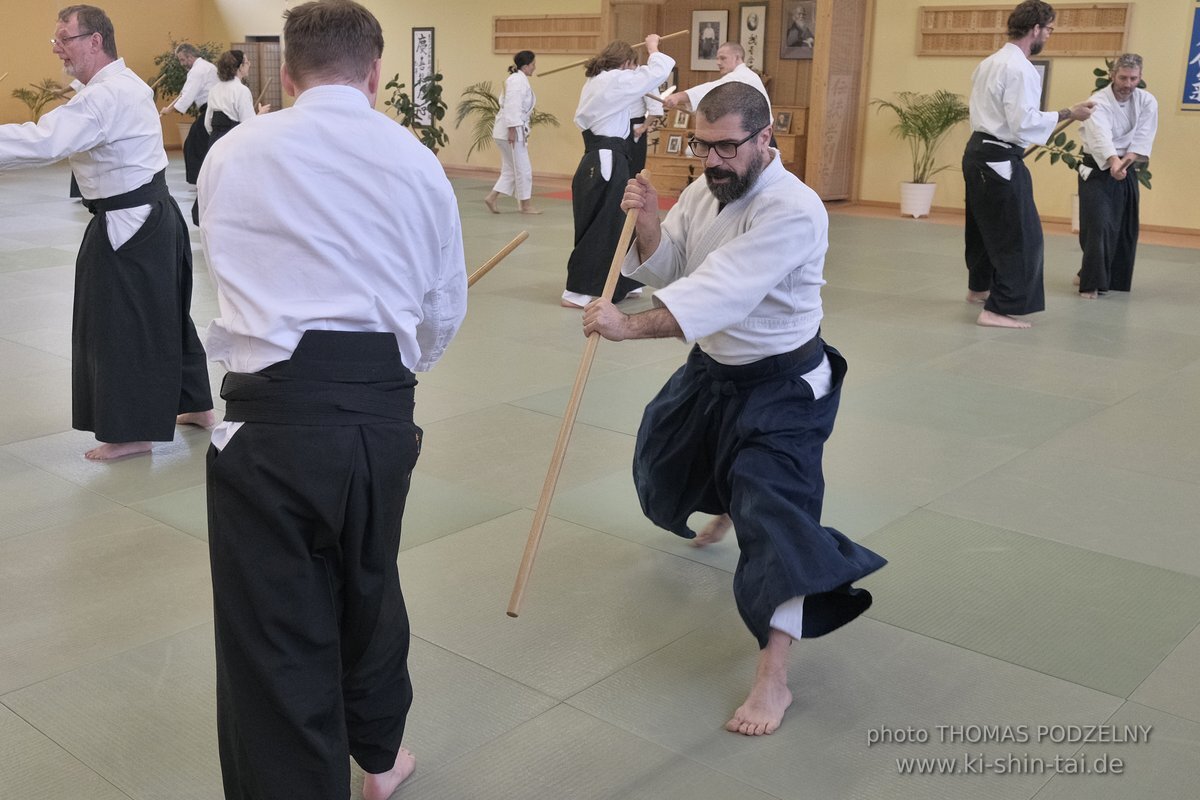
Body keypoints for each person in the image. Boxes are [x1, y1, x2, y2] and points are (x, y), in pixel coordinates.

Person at [198, 1, 467, 798]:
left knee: (275, 632)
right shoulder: (419, 162)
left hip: (269, 421)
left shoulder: (233, 153)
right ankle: (380, 762)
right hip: (379, 415)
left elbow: (224, 265)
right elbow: (442, 307)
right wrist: (394, 371)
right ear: (376, 72)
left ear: (287, 72)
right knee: (369, 586)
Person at [581, 82, 886, 737]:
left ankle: (773, 680)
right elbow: (674, 267)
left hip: (782, 386)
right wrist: (651, 218)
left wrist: (626, 327)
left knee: (775, 522)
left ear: (764, 139)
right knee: (661, 467)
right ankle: (730, 493)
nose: (712, 160)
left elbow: (719, 295)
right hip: (715, 373)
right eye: (702, 145)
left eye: (726, 147)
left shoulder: (793, 210)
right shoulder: (705, 188)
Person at [0, 4, 213, 461]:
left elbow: (45, 142)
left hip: (129, 223)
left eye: (65, 38)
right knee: (166, 312)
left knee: (123, 325)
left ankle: (135, 432)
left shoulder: (104, 95)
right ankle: (196, 405)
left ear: (95, 41)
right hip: (153, 215)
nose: (58, 48)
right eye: (55, 40)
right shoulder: (119, 84)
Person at [962, 0, 1094, 328]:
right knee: (1021, 234)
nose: (1048, 36)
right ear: (1035, 28)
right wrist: (1069, 113)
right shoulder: (1020, 68)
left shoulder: (990, 62)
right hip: (998, 158)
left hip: (978, 152)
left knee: (982, 225)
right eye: (1048, 29)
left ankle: (979, 287)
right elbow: (1023, 123)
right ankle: (998, 309)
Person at [563, 36, 674, 309]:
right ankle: (577, 291)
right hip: (606, 161)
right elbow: (658, 71)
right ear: (625, 63)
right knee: (603, 225)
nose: (634, 71)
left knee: (618, 222)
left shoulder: (597, 81)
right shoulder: (613, 80)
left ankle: (624, 282)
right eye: (632, 66)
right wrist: (653, 48)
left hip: (602, 159)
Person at [1075, 53, 1157, 298]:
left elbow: (1143, 136)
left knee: (1123, 225)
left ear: (1140, 77)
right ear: (1112, 75)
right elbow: (1100, 136)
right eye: (1123, 78)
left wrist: (1125, 163)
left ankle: (1112, 278)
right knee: (1097, 224)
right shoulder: (1097, 101)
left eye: (1133, 78)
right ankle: (1090, 282)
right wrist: (1113, 162)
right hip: (1097, 166)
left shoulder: (1147, 101)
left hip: (1126, 164)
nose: (1128, 84)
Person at [191, 49, 269, 225]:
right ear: (239, 67)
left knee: (215, 178)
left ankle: (209, 215)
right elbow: (247, 123)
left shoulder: (215, 89)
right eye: (247, 62)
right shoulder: (241, 90)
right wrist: (261, 114)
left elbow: (208, 122)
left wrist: (217, 136)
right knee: (235, 179)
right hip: (234, 137)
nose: (248, 65)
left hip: (215, 139)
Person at [484, 50, 541, 215]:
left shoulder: (517, 79)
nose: (534, 68)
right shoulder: (517, 81)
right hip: (511, 131)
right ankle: (525, 205)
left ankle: (492, 197)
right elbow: (512, 105)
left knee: (510, 169)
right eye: (533, 64)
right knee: (523, 169)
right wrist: (512, 129)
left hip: (508, 130)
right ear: (525, 66)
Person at [160, 42, 217, 184]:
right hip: (214, 110)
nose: (182, 63)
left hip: (210, 110)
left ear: (190, 57)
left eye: (182, 60)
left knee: (192, 144)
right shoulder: (208, 66)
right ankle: (206, 178)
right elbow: (183, 93)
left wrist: (169, 110)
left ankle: (200, 179)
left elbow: (186, 96)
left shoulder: (197, 70)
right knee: (200, 143)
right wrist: (169, 108)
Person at [662, 42, 770, 115]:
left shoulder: (743, 76)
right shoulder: (744, 75)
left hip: (758, 138)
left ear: (737, 58)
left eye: (723, 58)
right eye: (717, 59)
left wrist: (678, 97)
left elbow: (714, 89)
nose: (718, 63)